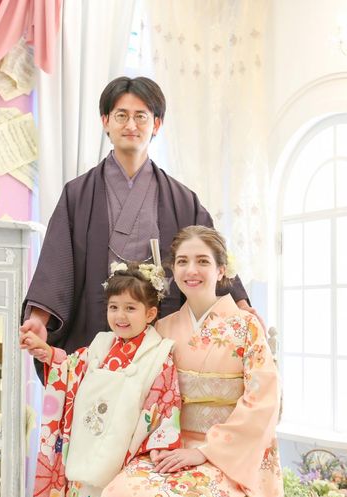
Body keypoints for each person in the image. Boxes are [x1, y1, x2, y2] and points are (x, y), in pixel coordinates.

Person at [20, 76, 253, 382]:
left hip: (161, 329)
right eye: (121, 115)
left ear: (156, 124)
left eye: (141, 116)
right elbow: (56, 262)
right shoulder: (78, 194)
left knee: (159, 406)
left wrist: (242, 305)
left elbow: (211, 255)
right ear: (105, 121)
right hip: (101, 324)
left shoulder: (182, 199)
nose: (131, 124)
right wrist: (39, 319)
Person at [96, 226, 283, 497]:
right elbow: (144, 392)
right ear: (173, 269)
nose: (191, 270)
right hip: (171, 445)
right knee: (116, 494)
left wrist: (202, 452)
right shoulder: (163, 328)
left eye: (202, 261)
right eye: (182, 261)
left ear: (221, 270)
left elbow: (263, 400)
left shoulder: (246, 326)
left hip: (229, 455)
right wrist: (157, 442)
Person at [23, 262, 182, 497]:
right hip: (84, 446)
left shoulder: (159, 355)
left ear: (150, 313)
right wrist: (47, 352)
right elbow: (71, 368)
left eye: (130, 308)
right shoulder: (101, 344)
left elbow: (165, 404)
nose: (120, 316)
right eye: (113, 307)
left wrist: (156, 449)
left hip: (125, 456)